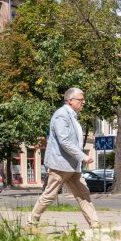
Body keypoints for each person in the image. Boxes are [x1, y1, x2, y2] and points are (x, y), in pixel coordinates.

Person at [25, 87, 99, 232]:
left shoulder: (72, 116)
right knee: (49, 195)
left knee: (83, 195)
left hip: (72, 166)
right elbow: (64, 141)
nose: (83, 102)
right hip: (60, 165)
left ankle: (96, 226)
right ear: (70, 100)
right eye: (81, 100)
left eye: (83, 100)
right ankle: (30, 223)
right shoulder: (61, 115)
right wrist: (82, 156)